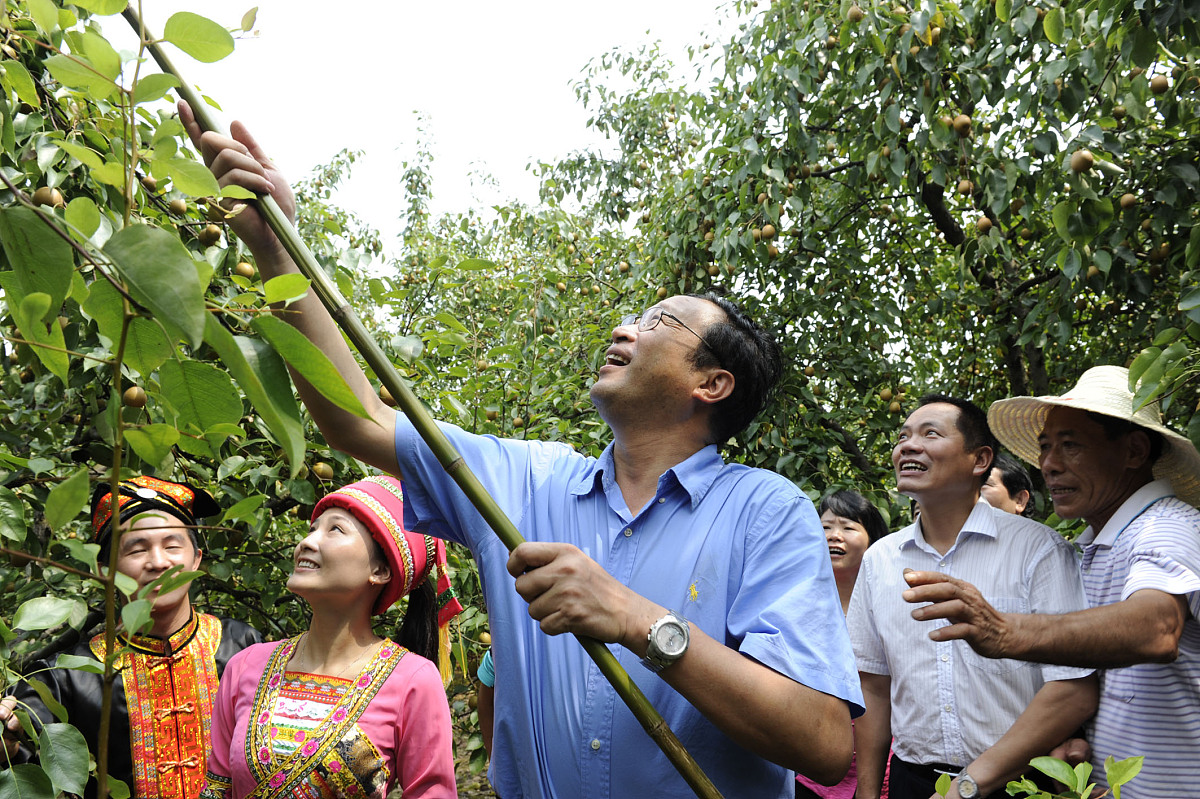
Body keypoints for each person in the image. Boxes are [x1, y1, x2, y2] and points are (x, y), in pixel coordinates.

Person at [182, 104, 865, 798]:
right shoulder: (523, 478)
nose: (625, 329)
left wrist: (635, 618)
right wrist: (276, 247)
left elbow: (822, 740)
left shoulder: (767, 512)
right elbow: (357, 419)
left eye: (659, 321)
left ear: (712, 382)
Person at [902, 366, 1200, 798]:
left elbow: (1156, 629)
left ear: (1134, 450)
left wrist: (1005, 632)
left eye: (1070, 446)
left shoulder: (1166, 527)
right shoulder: (1099, 545)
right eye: (1044, 447)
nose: (1049, 465)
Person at [848, 396, 1098, 799]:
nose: (908, 446)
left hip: (1018, 782)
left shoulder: (1039, 549)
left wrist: (968, 784)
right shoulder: (880, 559)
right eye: (903, 436)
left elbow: (1071, 689)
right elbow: (874, 686)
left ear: (980, 459)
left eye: (931, 434)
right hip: (912, 781)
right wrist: (867, 794)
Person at [0, 476, 263, 799]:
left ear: (196, 559)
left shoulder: (244, 647)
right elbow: (31, 761)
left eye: (172, 545)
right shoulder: (64, 676)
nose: (158, 562)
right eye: (137, 549)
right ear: (104, 570)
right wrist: (9, 745)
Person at [200, 475, 461, 799]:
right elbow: (217, 787)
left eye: (334, 530)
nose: (307, 542)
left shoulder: (413, 680)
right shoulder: (245, 666)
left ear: (380, 571)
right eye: (312, 529)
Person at [795, 489, 890, 799]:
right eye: (825, 527)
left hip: (877, 756)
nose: (834, 536)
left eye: (848, 527)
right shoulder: (796, 600)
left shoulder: (889, 603)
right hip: (809, 754)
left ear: (873, 539)